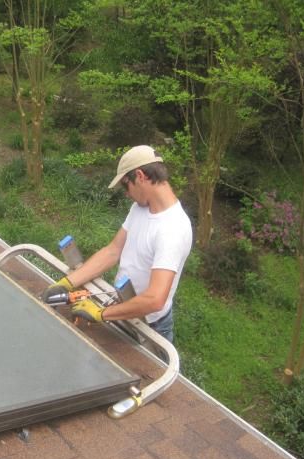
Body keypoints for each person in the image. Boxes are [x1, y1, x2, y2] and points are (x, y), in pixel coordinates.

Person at [42, 145, 192, 342]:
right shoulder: (140, 209)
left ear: (140, 176)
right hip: (124, 310)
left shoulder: (172, 229)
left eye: (125, 185)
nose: (126, 194)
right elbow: (113, 251)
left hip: (149, 329)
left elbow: (155, 299)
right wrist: (67, 283)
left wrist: (101, 313)